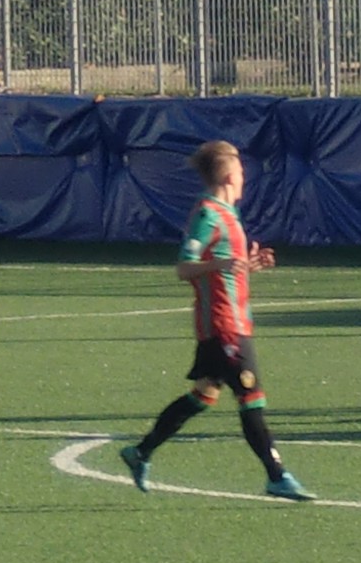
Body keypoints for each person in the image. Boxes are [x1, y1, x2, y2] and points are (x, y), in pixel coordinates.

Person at [120, 140, 315, 500]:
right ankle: (277, 475)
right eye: (240, 171)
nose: (244, 178)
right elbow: (184, 267)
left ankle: (141, 452)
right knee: (251, 397)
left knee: (203, 395)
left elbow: (223, 270)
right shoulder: (208, 215)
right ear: (228, 176)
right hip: (224, 325)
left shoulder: (227, 215)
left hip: (234, 322)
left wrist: (248, 265)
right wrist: (222, 263)